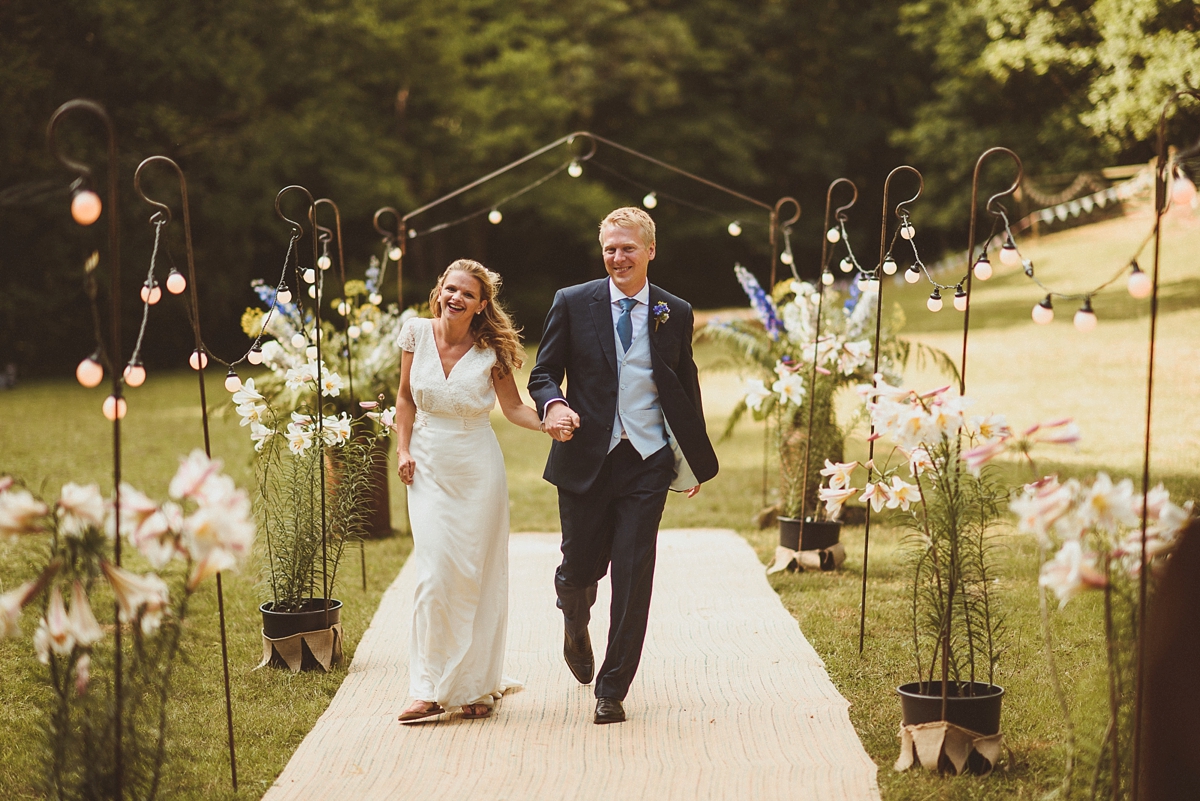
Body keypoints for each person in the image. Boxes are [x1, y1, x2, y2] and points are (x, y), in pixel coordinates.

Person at [528, 207, 719, 724]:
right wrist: (554, 405)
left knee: (634, 577)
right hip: (585, 457)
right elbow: (542, 373)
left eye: (627, 248)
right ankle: (574, 620)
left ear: (650, 251)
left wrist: (691, 459)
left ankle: (612, 689)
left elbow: (684, 385)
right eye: (610, 248)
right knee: (579, 569)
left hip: (647, 462)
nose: (618, 257)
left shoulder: (674, 311)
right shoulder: (571, 302)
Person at [393, 259, 557, 722]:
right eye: (449, 288)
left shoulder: (491, 352)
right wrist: (402, 450)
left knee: (474, 574)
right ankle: (425, 688)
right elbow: (405, 397)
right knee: (433, 575)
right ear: (438, 290)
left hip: (476, 469)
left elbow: (515, 408)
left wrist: (551, 424)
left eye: (466, 293)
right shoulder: (415, 333)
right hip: (426, 466)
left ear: (481, 304)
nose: (454, 298)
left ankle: (474, 686)